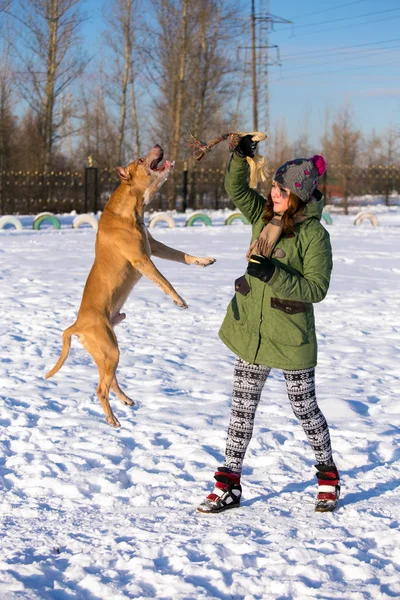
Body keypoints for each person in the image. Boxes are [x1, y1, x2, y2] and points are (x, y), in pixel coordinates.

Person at [197, 135, 340, 514]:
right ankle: (228, 486)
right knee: (241, 409)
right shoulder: (262, 215)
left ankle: (328, 478)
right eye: (273, 186)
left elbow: (316, 288)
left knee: (304, 408)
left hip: (291, 336)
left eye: (280, 189)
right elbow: (234, 187)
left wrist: (273, 273)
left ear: (297, 194)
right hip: (252, 331)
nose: (273, 192)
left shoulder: (313, 235)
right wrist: (239, 156)